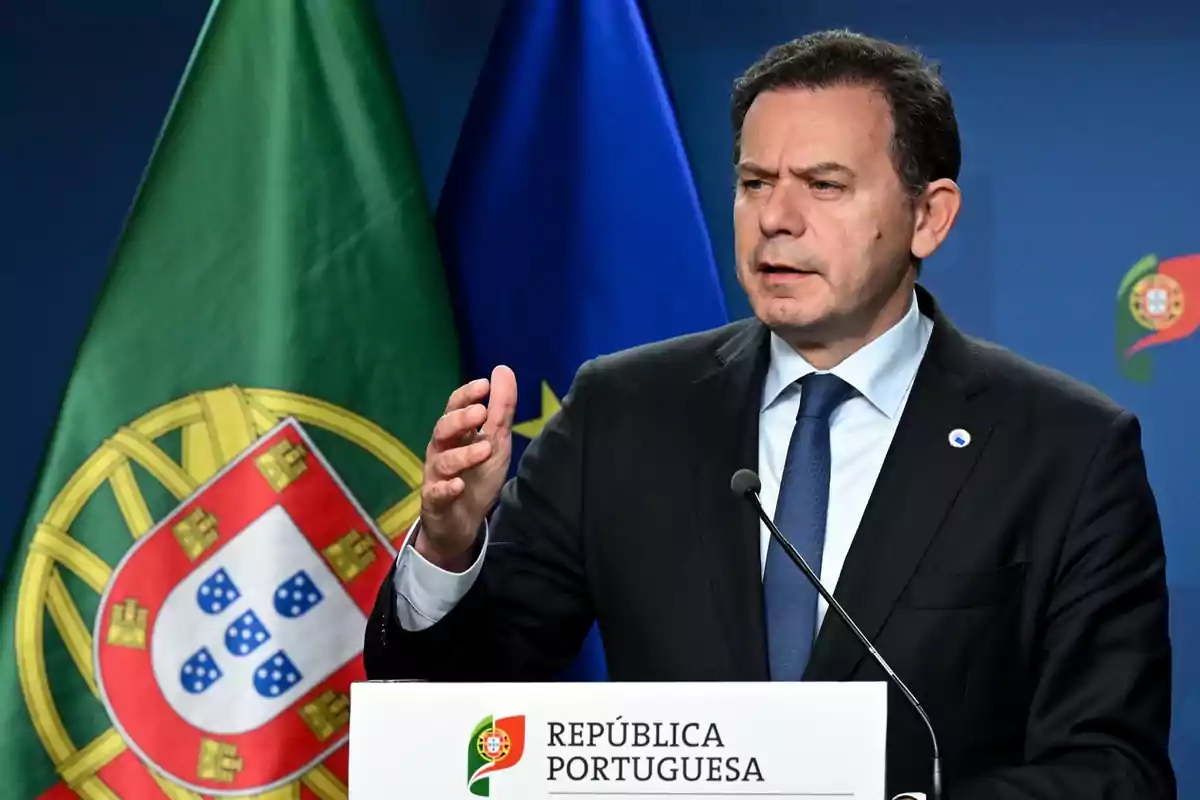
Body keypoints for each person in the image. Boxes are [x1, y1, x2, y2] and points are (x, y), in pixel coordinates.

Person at [364, 29, 1174, 799]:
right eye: (756, 184)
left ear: (929, 216)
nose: (778, 219)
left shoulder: (1065, 451)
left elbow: (1113, 771)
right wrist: (448, 545)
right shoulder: (623, 412)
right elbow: (456, 712)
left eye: (825, 186)